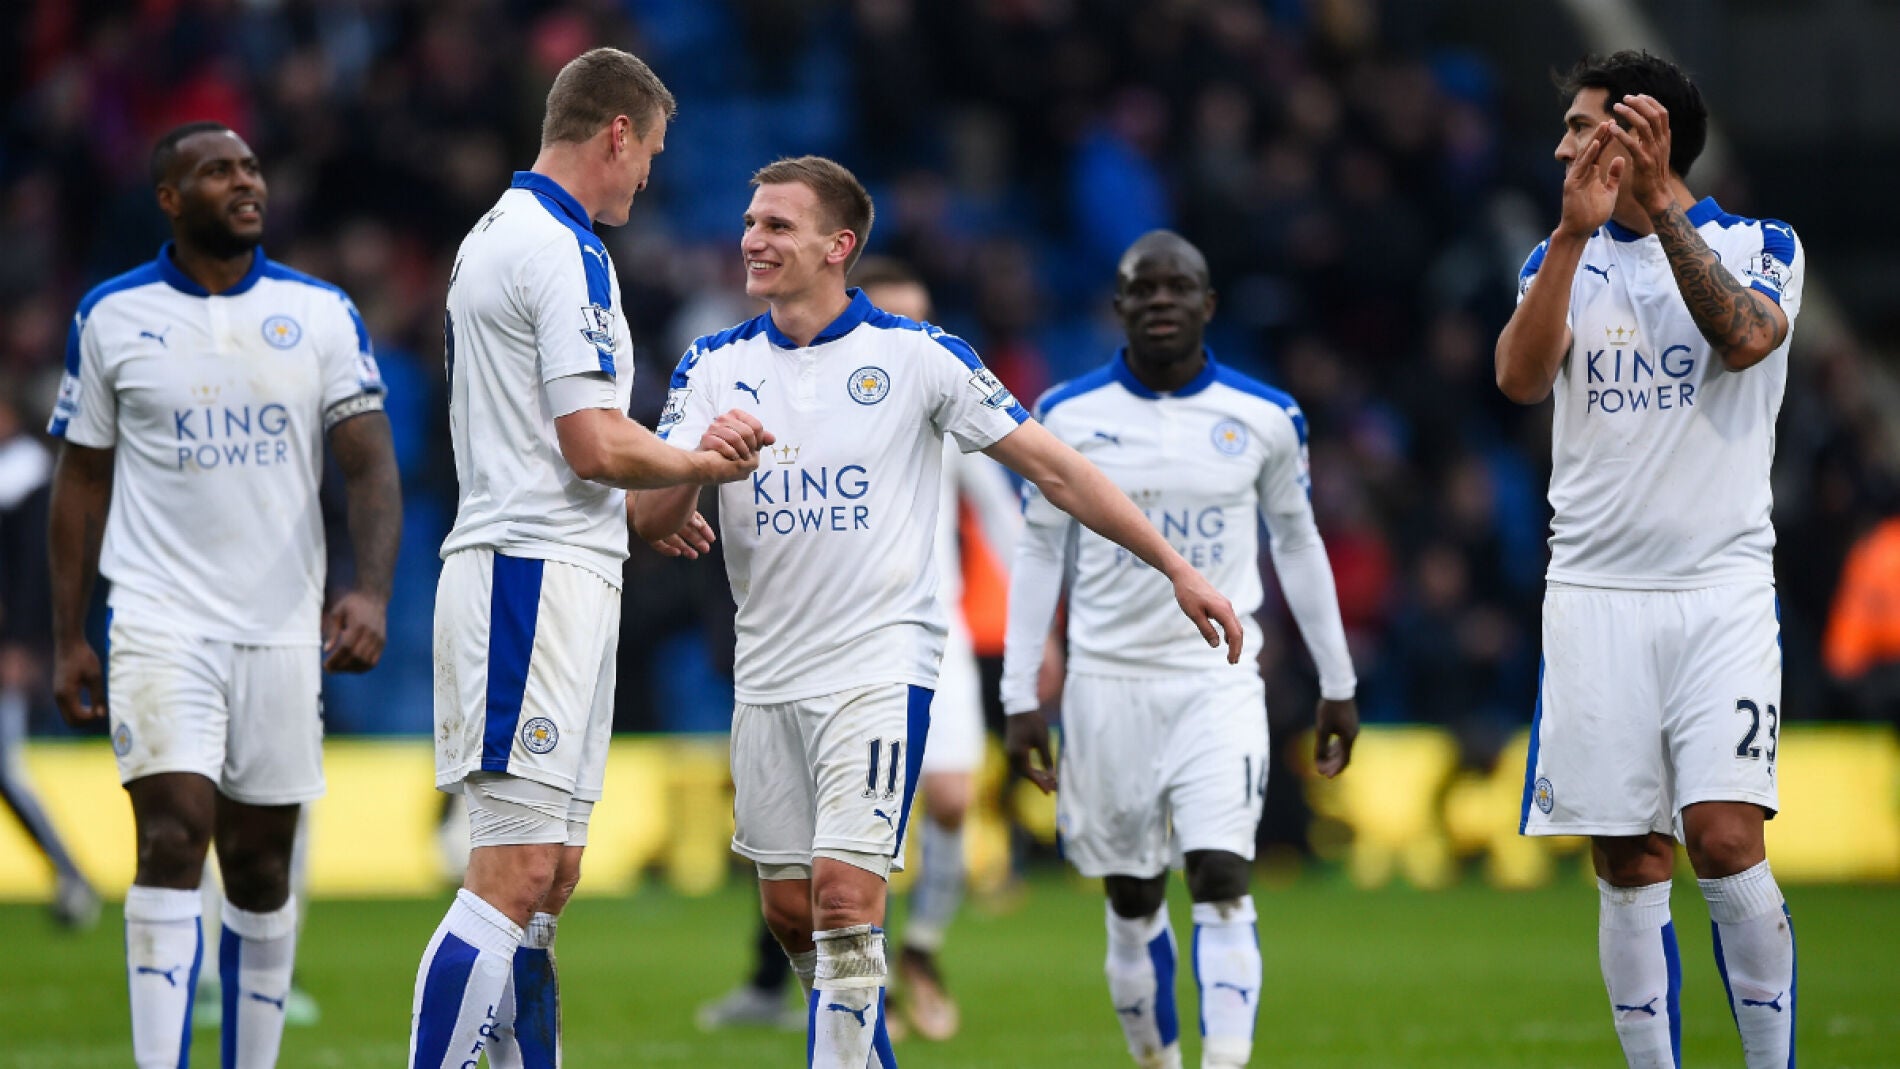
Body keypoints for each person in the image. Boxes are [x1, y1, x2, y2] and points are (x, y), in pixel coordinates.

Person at [636, 155, 1242, 1069]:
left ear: (838, 247)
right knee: (792, 910)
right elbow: (652, 522)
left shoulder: (919, 358)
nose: (753, 239)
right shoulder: (714, 366)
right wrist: (696, 469)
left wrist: (1174, 567)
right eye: (752, 222)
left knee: (845, 899)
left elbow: (1054, 469)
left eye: (777, 226)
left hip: (881, 666)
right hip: (767, 674)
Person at [407, 48, 766, 1069]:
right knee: (513, 869)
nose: (648, 173)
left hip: (565, 565)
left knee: (551, 871)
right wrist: (701, 457)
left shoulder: (503, 237)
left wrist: (657, 494)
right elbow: (593, 442)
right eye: (648, 150)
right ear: (615, 132)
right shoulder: (558, 249)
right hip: (527, 573)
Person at [47, 120, 401, 1069]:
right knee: (172, 835)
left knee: (258, 865)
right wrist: (69, 636)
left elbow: (369, 467)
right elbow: (79, 482)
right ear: (169, 198)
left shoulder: (320, 311)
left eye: (249, 168)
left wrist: (368, 592)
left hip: (282, 628)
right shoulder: (111, 316)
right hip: (158, 620)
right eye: (217, 171)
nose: (245, 182)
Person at [1496, 51, 1804, 1069]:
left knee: (1724, 839)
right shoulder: (1559, 257)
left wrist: (1661, 206)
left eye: (1583, 128)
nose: (1560, 148)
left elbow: (1745, 339)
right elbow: (1519, 377)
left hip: (1718, 592)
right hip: (1593, 594)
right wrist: (1575, 235)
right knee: (1631, 858)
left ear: (1640, 136)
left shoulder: (1762, 245)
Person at [1001, 231, 1359, 1069]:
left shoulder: (1266, 417)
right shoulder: (1065, 416)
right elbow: (1037, 551)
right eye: (1143, 288)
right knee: (1130, 897)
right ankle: (1157, 1060)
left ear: (1209, 305)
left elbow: (1300, 545)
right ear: (1119, 306)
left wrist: (1337, 679)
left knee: (1221, 877)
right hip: (1104, 685)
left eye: (1179, 287)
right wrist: (1023, 691)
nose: (1161, 300)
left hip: (1218, 680)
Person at [691, 258, 1020, 1041]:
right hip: (795, 657)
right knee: (807, 884)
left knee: (939, 807)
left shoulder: (938, 392)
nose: (907, 332)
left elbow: (1010, 513)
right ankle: (835, 998)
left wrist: (1036, 633)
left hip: (912, 643)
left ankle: (922, 950)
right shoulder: (783, 385)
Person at [0, 381, 99, 930]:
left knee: (5, 766)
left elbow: (37, 573)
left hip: (7, 645)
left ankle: (70, 873)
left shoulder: (27, 477)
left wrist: (22, 641)